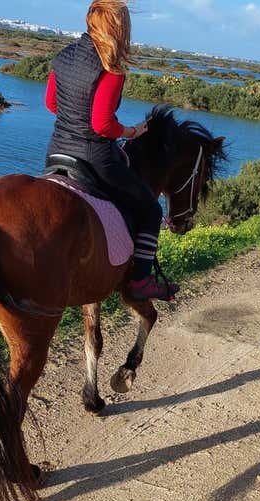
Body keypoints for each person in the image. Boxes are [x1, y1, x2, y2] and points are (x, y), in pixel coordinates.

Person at [44, 0, 178, 301]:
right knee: (151, 209)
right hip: (94, 158)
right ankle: (141, 280)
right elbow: (102, 123)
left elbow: (52, 104)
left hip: (56, 152)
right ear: (120, 28)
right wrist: (132, 131)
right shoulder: (111, 68)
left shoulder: (62, 57)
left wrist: (72, 120)